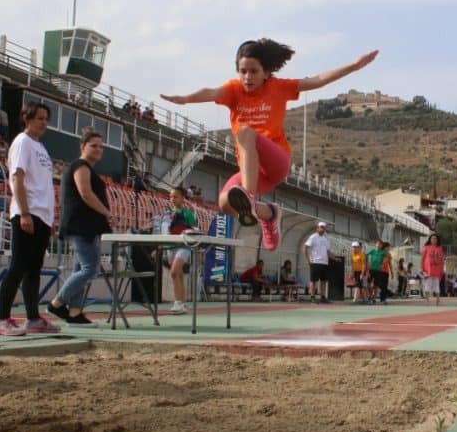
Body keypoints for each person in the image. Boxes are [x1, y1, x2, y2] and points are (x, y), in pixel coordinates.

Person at [161, 39, 378, 252]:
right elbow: (211, 92)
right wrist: (186, 99)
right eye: (242, 71)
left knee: (245, 132)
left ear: (266, 73)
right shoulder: (234, 90)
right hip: (254, 172)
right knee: (225, 202)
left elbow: (317, 80)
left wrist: (353, 66)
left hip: (276, 162)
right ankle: (270, 215)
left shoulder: (279, 87)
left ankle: (249, 196)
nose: (247, 77)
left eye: (253, 71)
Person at [0, 102, 60, 336]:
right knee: (18, 266)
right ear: (27, 118)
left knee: (34, 269)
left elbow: (43, 184)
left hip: (42, 214)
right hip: (28, 212)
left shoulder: (40, 147)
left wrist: (49, 218)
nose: (43, 123)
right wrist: (24, 212)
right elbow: (17, 179)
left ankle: (33, 318)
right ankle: (2, 319)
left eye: (46, 119)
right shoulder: (22, 142)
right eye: (39, 118)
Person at [46, 129, 113, 327]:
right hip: (80, 226)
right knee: (89, 269)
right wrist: (106, 212)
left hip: (87, 227)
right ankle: (56, 303)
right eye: (94, 145)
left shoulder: (87, 168)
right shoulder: (81, 166)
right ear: (82, 147)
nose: (99, 149)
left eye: (101, 146)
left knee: (80, 269)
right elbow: (85, 193)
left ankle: (75, 313)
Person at [166, 186, 198, 314]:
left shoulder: (188, 213)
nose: (172, 199)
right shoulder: (169, 213)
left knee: (174, 272)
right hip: (171, 246)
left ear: (183, 198)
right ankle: (183, 304)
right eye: (171, 197)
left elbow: (195, 230)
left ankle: (177, 303)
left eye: (175, 196)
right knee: (178, 274)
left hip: (184, 246)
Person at [303, 221, 334, 303]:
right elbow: (305, 247)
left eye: (324, 227)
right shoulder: (313, 237)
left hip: (324, 263)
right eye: (321, 227)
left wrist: (335, 258)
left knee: (323, 281)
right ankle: (312, 297)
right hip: (315, 262)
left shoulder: (326, 239)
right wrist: (308, 260)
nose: (322, 229)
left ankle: (323, 297)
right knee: (313, 281)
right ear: (317, 228)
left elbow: (328, 252)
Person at [420, 233, 445, 306]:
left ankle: (438, 299)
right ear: (430, 239)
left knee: (437, 285)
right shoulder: (426, 247)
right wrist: (421, 268)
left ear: (437, 240)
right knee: (427, 285)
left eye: (435, 238)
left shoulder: (440, 248)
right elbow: (422, 259)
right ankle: (427, 300)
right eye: (432, 238)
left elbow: (441, 260)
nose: (434, 240)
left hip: (437, 269)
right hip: (428, 270)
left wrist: (442, 269)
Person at [366, 239, 392, 305]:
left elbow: (388, 256)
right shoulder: (372, 251)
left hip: (379, 271)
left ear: (381, 245)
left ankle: (374, 298)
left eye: (380, 244)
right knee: (368, 284)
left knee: (376, 285)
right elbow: (365, 256)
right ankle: (370, 296)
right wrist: (367, 266)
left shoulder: (383, 252)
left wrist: (383, 264)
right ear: (375, 244)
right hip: (371, 269)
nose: (378, 245)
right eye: (377, 244)